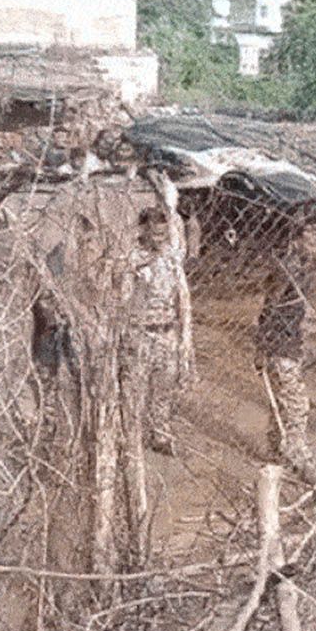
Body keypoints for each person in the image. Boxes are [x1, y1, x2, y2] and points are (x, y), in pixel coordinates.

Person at [122, 173, 195, 455]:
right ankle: (131, 436)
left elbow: (176, 223)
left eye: (163, 232)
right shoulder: (133, 258)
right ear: (143, 231)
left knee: (164, 387)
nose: (159, 237)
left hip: (167, 331)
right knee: (135, 388)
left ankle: (160, 433)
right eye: (154, 232)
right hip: (141, 332)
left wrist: (164, 191)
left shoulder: (171, 256)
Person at [254, 221, 316, 467]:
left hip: (293, 341)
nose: (314, 247)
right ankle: (295, 450)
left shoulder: (305, 269)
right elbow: (269, 306)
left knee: (283, 399)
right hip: (280, 343)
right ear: (296, 242)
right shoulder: (287, 269)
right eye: (309, 241)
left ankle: (277, 448)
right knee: (297, 403)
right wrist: (262, 347)